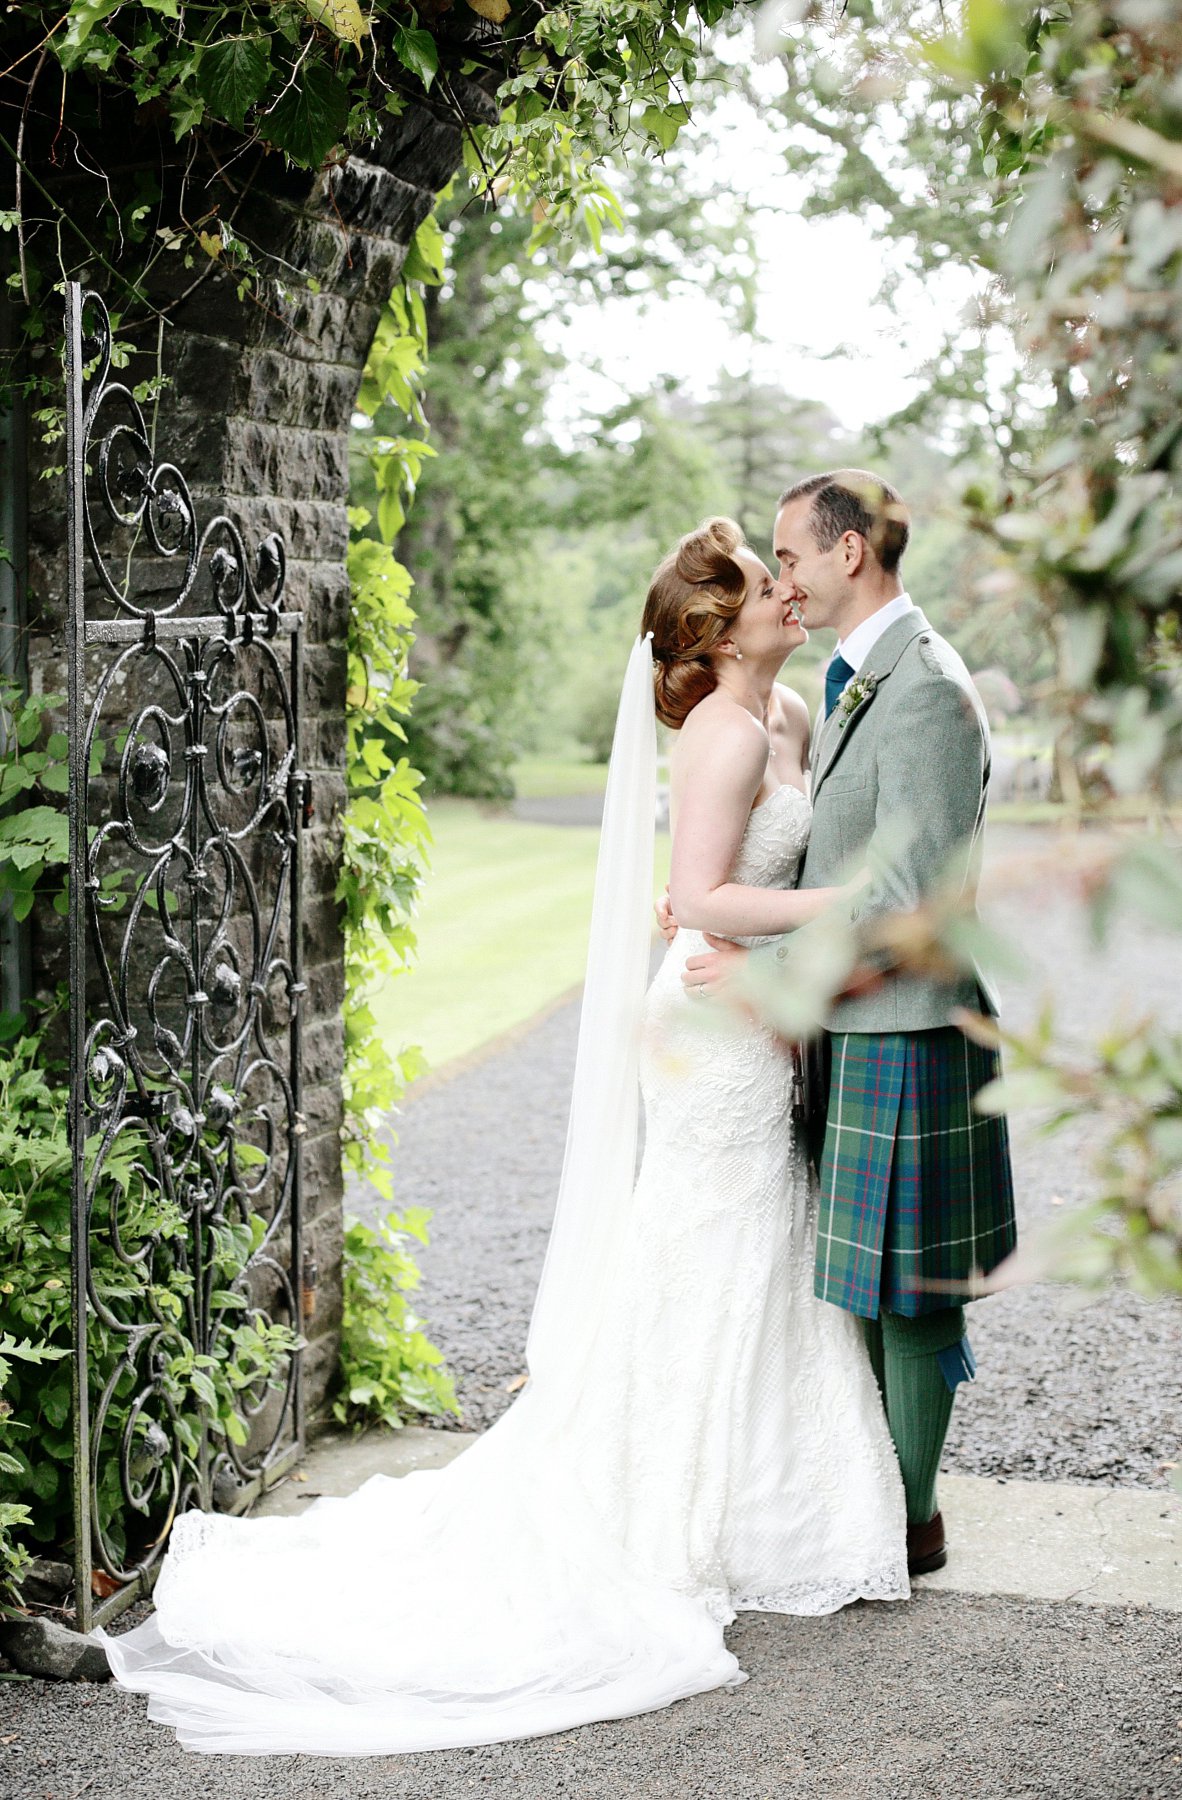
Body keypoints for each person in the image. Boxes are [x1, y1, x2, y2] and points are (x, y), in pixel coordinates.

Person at [98, 515, 907, 1758]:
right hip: (710, 1036)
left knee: (756, 1238)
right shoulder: (723, 733)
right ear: (715, 629)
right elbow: (695, 899)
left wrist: (770, 934)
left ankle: (764, 1491)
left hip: (745, 1010)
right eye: (764, 589)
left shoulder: (785, 716)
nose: (788, 597)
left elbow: (716, 882)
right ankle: (669, 1502)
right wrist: (839, 905)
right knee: (706, 1237)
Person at [663, 473, 1017, 1577]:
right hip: (859, 1028)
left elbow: (905, 896)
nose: (788, 579)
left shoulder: (923, 689)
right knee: (856, 1281)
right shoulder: (856, 677)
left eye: (794, 556)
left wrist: (774, 986)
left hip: (906, 1026)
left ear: (850, 552)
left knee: (909, 1293)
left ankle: (909, 1522)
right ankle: (867, 1498)